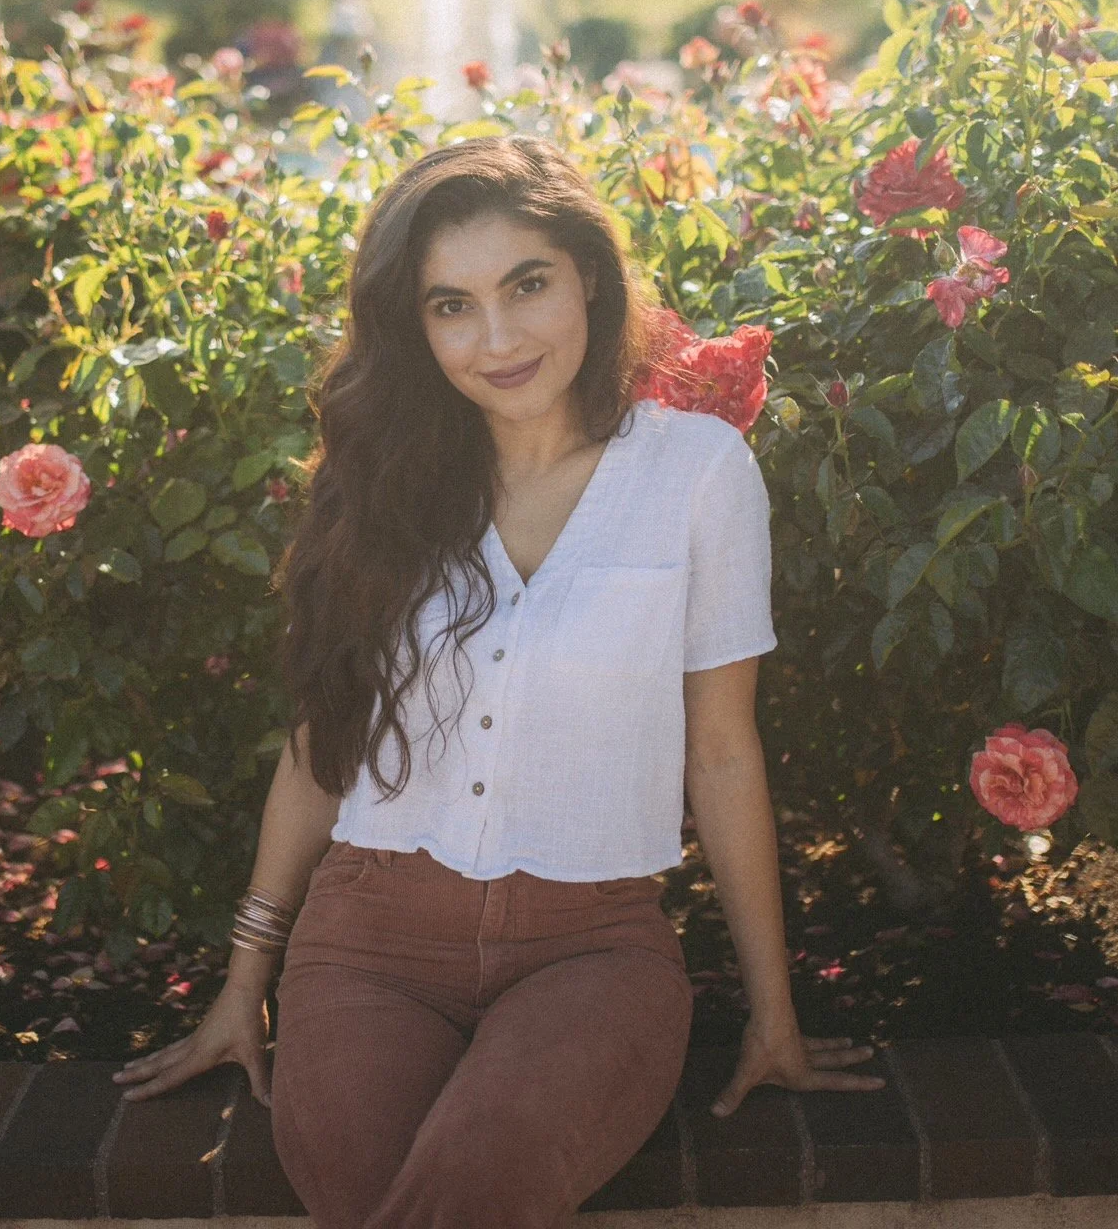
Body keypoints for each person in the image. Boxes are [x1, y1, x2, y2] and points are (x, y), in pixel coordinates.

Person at [112, 135, 885, 1227]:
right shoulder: (379, 480)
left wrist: (774, 1014)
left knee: (484, 1178)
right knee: (351, 1171)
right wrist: (245, 980)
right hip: (369, 942)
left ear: (589, 277)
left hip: (590, 948)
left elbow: (719, 750)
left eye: (526, 285)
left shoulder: (696, 473)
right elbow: (319, 742)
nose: (498, 338)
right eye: (450, 305)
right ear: (412, 326)